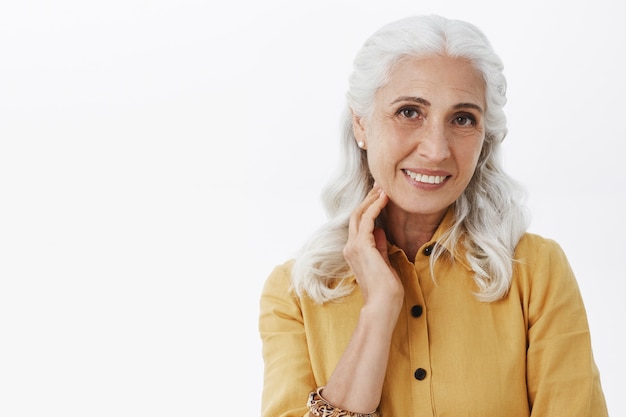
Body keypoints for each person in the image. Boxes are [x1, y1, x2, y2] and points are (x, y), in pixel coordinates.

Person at [258, 14, 608, 417]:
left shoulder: (536, 271)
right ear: (361, 123)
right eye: (409, 112)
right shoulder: (294, 293)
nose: (437, 149)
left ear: (484, 138)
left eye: (462, 119)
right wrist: (378, 311)